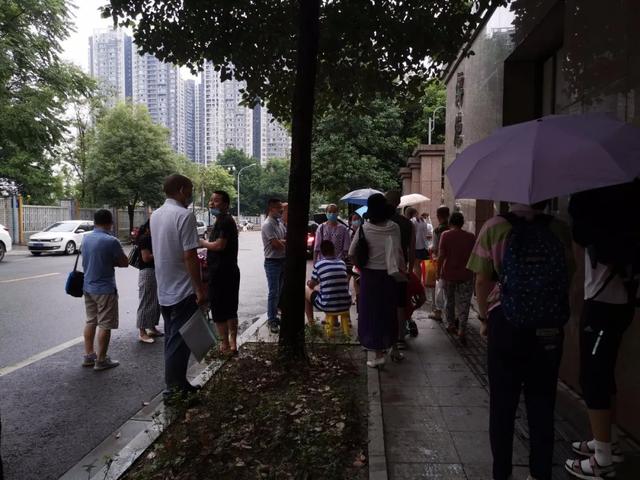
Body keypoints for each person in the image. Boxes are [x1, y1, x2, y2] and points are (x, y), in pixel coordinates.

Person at [467, 202, 574, 480]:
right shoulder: (559, 229)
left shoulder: (494, 227)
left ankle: (502, 472)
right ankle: (540, 473)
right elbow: (568, 275)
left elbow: (481, 280)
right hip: (548, 326)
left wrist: (484, 318)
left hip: (505, 322)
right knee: (543, 404)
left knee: (502, 405)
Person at [564, 182, 639, 480]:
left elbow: (581, 236)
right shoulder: (627, 213)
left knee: (593, 377)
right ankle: (608, 439)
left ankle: (603, 459)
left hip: (602, 306)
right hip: (620, 304)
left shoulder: (601, 219)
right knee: (604, 374)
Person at [151, 174, 207, 399]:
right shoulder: (184, 215)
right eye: (190, 189)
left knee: (173, 339)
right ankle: (173, 390)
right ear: (182, 189)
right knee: (179, 342)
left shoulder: (156, 215)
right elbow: (190, 256)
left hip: (164, 288)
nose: (191, 194)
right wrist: (199, 288)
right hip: (183, 289)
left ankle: (179, 384)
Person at [349, 193, 404, 368]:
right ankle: (394, 348)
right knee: (389, 312)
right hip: (390, 276)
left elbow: (351, 253)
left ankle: (379, 354)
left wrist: (361, 266)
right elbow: (398, 251)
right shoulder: (395, 227)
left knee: (372, 314)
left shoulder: (364, 229)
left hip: (369, 277)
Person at [81, 209, 128, 371]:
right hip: (105, 289)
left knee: (91, 321)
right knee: (105, 324)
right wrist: (111, 262)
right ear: (110, 223)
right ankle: (101, 360)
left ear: (95, 222)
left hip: (88, 286)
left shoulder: (86, 238)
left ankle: (89, 355)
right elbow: (124, 263)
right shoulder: (111, 241)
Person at [200, 191, 240, 355]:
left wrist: (202, 243)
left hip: (222, 273)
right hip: (225, 271)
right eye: (211, 200)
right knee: (228, 308)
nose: (211, 203)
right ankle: (230, 343)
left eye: (216, 201)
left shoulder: (224, 221)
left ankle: (226, 344)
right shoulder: (222, 220)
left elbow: (219, 245)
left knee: (221, 309)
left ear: (225, 204)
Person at [438, 212, 476, 345]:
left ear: (450, 223)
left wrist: (438, 272)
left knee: (450, 300)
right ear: (462, 223)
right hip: (467, 274)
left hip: (449, 274)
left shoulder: (445, 235)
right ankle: (462, 329)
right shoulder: (471, 237)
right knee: (464, 303)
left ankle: (451, 324)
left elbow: (441, 256)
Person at [386, 191, 414, 353]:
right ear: (398, 203)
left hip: (383, 268)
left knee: (385, 302)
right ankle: (400, 337)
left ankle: (386, 335)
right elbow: (411, 250)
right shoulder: (407, 223)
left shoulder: (381, 221)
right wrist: (410, 270)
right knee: (400, 304)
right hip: (401, 268)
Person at [305, 240, 352, 324]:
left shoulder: (319, 265)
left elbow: (311, 285)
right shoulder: (342, 263)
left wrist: (309, 283)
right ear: (334, 250)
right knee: (333, 290)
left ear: (322, 252)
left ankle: (311, 323)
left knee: (306, 290)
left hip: (328, 305)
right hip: (346, 304)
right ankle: (335, 321)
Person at [135, 219, 163, 344]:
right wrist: (162, 254)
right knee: (146, 301)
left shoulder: (152, 237)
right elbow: (146, 258)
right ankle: (142, 332)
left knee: (155, 301)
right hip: (147, 272)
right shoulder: (145, 238)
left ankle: (152, 327)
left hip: (154, 271)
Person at [262, 198, 286, 334]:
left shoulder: (279, 223)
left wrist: (282, 241)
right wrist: (284, 242)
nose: (281, 210)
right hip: (272, 262)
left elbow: (283, 240)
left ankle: (275, 316)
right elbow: (276, 245)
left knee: (279, 291)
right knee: (273, 292)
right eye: (279, 207)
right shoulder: (268, 224)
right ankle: (272, 320)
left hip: (282, 260)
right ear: (271, 209)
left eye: (281, 207)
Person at [430, 205, 450, 321]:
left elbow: (435, 248)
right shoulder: (452, 228)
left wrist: (431, 249)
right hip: (453, 262)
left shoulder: (437, 230)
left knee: (439, 287)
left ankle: (438, 312)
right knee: (450, 290)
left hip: (441, 262)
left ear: (438, 216)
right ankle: (450, 313)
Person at [407, 207, 430, 281]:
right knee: (418, 266)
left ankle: (418, 282)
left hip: (416, 246)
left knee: (416, 266)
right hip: (423, 246)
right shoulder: (423, 220)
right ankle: (419, 282)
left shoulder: (413, 220)